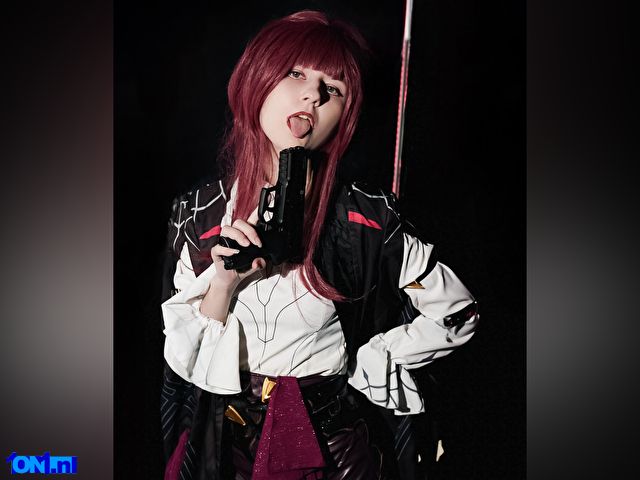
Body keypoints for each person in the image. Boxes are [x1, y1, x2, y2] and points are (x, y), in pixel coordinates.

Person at [159, 10, 479, 480]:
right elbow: (185, 354)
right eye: (296, 73)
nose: (314, 93)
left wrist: (376, 358)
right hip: (225, 443)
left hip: (330, 447)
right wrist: (222, 285)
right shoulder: (201, 214)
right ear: (256, 80)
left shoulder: (365, 218)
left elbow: (457, 314)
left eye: (334, 88)